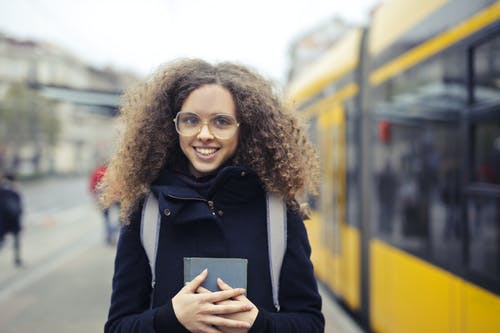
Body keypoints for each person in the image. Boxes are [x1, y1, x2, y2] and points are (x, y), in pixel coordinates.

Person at [101, 59, 324, 333]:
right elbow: (117, 327)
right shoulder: (145, 212)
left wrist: (258, 325)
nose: (204, 134)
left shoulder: (277, 213)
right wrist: (171, 318)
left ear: (245, 128)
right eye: (191, 120)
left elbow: (310, 323)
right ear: (172, 126)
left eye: (221, 122)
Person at [89, 163, 118, 245]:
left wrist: (94, 196)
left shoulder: (97, 171)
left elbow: (92, 185)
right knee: (118, 217)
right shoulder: (110, 171)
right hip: (112, 196)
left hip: (101, 196)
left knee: (106, 217)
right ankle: (112, 232)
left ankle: (109, 235)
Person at [0, 173, 23, 267]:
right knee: (16, 239)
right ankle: (17, 260)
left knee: (1, 240)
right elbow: (19, 206)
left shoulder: (1, 189)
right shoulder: (15, 190)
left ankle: (17, 259)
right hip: (14, 218)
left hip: (2, 219)